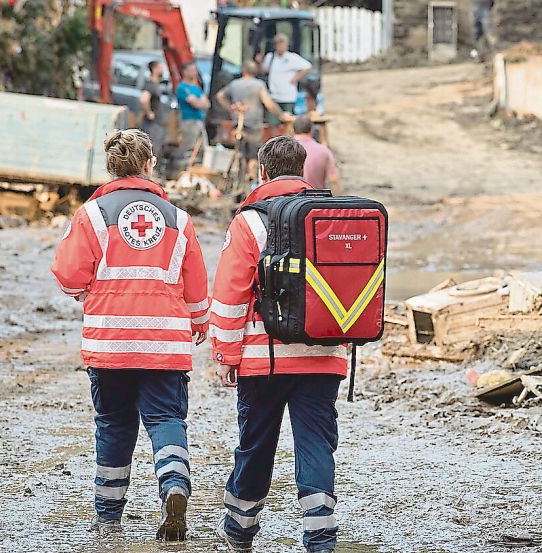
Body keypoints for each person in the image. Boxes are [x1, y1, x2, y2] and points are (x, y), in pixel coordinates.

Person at [50, 129, 210, 541]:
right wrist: (199, 321)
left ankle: (108, 515)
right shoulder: (178, 219)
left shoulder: (92, 215)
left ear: (111, 166)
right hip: (165, 344)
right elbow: (195, 287)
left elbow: (69, 275)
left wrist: (85, 290)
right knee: (166, 419)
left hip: (110, 343)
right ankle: (174, 485)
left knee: (114, 424)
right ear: (149, 164)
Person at [211, 136, 347, 553]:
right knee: (315, 444)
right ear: (303, 170)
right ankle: (320, 534)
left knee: (256, 444)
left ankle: (239, 530)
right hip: (323, 355)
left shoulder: (250, 221)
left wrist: (225, 353)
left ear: (262, 172)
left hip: (262, 360)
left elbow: (232, 293)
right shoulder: (331, 216)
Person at [215, 61, 291, 179]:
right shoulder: (258, 85)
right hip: (254, 125)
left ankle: (240, 179)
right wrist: (281, 114)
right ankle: (251, 180)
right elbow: (268, 103)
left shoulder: (235, 84)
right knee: (254, 155)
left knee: (240, 152)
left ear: (244, 71)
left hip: (238, 123)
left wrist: (230, 108)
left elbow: (220, 96)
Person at [260, 35, 312, 132]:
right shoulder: (270, 58)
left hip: (288, 96)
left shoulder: (292, 58)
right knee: (273, 123)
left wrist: (296, 78)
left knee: (288, 123)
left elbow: (307, 66)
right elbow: (264, 71)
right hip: (274, 96)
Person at [292, 115, 341, 195]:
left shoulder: (284, 150)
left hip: (291, 203)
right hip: (316, 202)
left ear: (293, 131)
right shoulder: (324, 151)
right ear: (312, 130)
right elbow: (334, 180)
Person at [176, 61, 210, 162]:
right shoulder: (182, 87)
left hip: (199, 121)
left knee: (202, 148)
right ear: (185, 72)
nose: (195, 72)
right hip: (189, 121)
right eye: (192, 70)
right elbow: (195, 103)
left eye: (195, 70)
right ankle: (187, 170)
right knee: (190, 148)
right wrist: (200, 102)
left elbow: (207, 104)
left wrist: (199, 102)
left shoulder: (196, 88)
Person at [140, 60, 167, 161]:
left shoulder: (156, 84)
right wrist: (149, 113)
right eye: (161, 67)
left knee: (154, 147)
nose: (163, 69)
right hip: (153, 124)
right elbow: (143, 99)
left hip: (157, 123)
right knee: (151, 148)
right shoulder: (150, 84)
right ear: (155, 69)